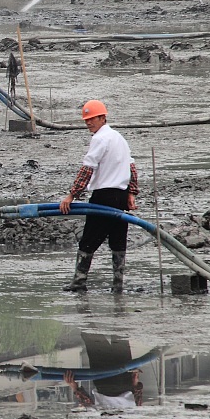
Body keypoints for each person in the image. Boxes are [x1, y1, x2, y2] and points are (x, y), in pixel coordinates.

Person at [60, 99, 139, 293]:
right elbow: (132, 168)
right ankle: (117, 285)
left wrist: (71, 195)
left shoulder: (100, 139)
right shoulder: (119, 137)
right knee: (118, 241)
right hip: (120, 197)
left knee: (89, 240)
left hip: (104, 197)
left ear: (103, 118)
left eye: (92, 119)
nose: (88, 123)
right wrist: (130, 193)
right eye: (86, 120)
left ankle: (78, 282)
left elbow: (87, 169)